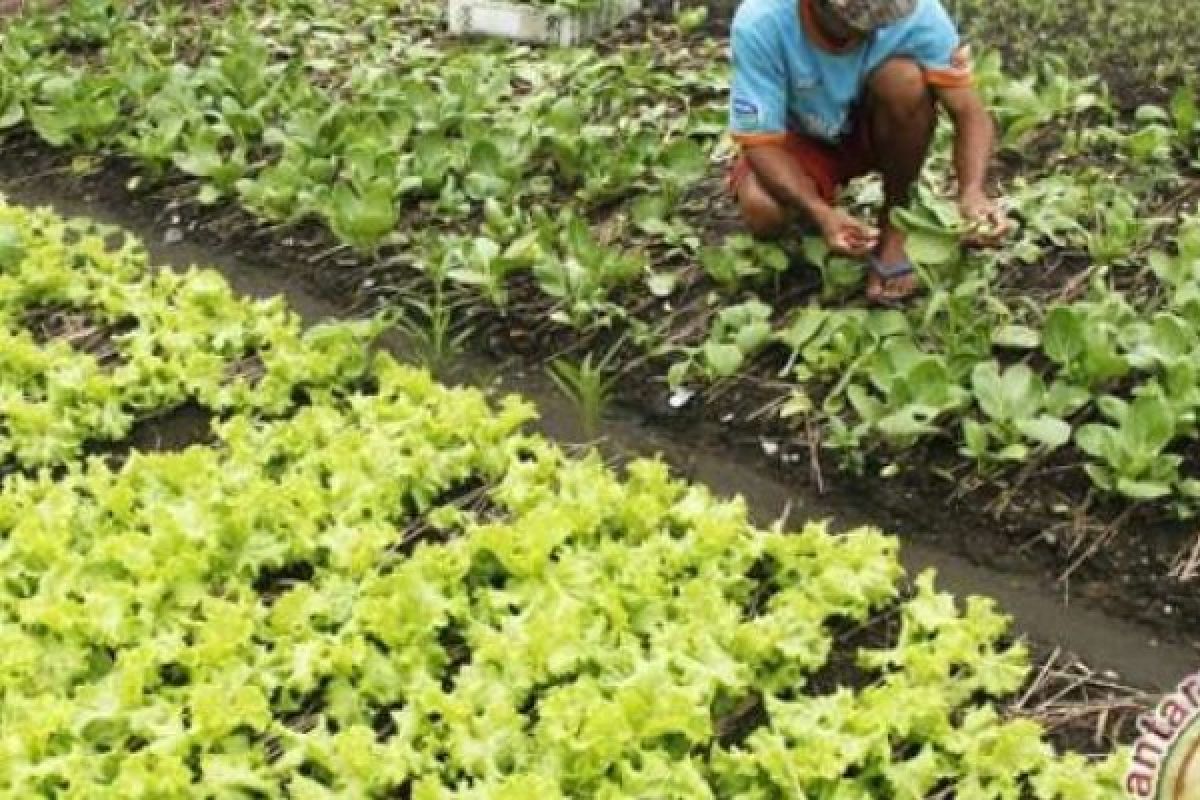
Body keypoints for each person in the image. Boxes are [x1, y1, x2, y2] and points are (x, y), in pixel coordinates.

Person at [726, 0, 1010, 304]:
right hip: (798, 138)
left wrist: (971, 191)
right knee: (762, 209)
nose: (876, 32)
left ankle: (895, 220)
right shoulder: (762, 20)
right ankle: (816, 204)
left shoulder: (920, 12)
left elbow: (969, 112)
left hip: (873, 129)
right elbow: (760, 143)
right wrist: (820, 212)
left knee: (903, 79)